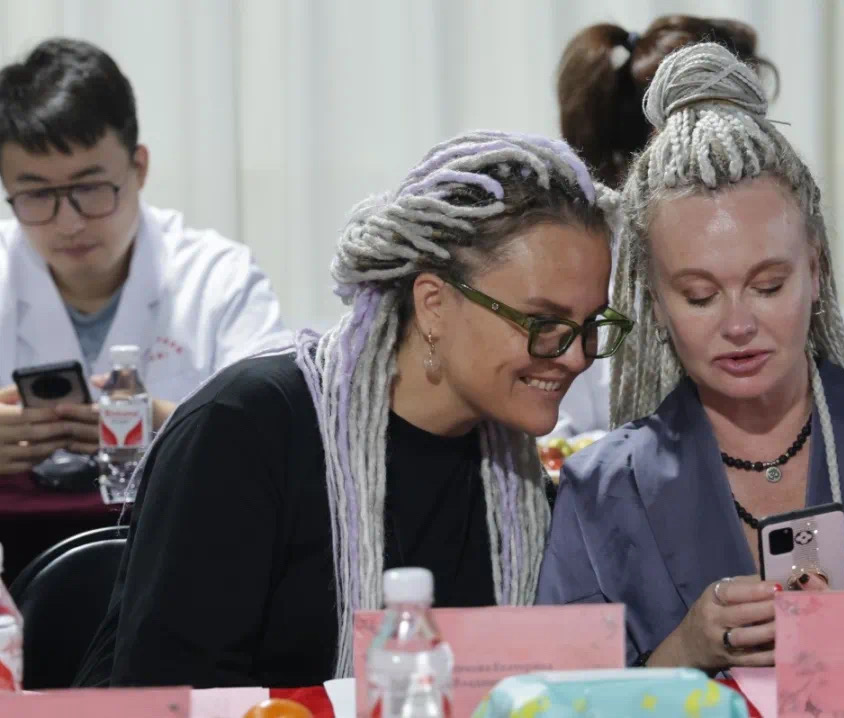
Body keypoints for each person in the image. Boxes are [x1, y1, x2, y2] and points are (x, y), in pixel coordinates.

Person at [74, 131, 632, 688]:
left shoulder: (520, 490)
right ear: (433, 304)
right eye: (543, 323)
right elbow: (170, 693)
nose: (576, 355)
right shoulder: (244, 433)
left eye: (589, 325)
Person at [536, 43, 844, 672]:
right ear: (654, 302)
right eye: (700, 296)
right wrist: (682, 653)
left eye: (768, 286)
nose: (739, 324)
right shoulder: (603, 492)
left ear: (816, 272)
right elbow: (556, 701)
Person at [0, 38, 289, 475]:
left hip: (183, 520)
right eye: (37, 194)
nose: (69, 223)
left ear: (139, 168)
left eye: (89, 188)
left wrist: (168, 427)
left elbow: (284, 434)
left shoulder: (219, 279)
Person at [547, 15, 775, 439]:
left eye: (770, 286)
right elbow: (555, 441)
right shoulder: (584, 271)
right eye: (699, 295)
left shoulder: (779, 235)